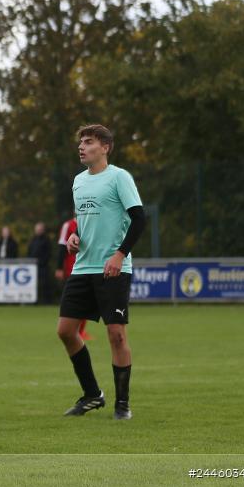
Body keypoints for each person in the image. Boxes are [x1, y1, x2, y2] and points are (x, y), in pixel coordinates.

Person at [57, 124, 145, 421]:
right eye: (81, 142)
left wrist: (120, 254)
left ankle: (123, 404)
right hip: (83, 267)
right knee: (65, 331)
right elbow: (84, 219)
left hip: (113, 268)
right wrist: (75, 237)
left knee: (116, 335)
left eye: (89, 142)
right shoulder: (79, 181)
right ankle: (93, 394)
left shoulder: (119, 177)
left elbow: (139, 218)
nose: (82, 146)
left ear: (105, 147)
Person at [56, 215, 90, 340]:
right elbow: (61, 247)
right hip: (72, 269)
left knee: (86, 301)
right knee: (75, 303)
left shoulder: (90, 222)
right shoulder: (68, 225)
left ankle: (81, 331)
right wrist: (59, 267)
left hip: (87, 267)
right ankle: (74, 331)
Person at [27, 222, 52, 304]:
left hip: (43, 266)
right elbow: (29, 252)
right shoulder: (33, 240)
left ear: (43, 230)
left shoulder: (46, 240)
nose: (38, 231)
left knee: (44, 284)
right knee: (33, 284)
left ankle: (46, 301)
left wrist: (42, 262)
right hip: (33, 266)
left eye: (40, 229)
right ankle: (34, 301)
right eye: (37, 229)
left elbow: (48, 253)